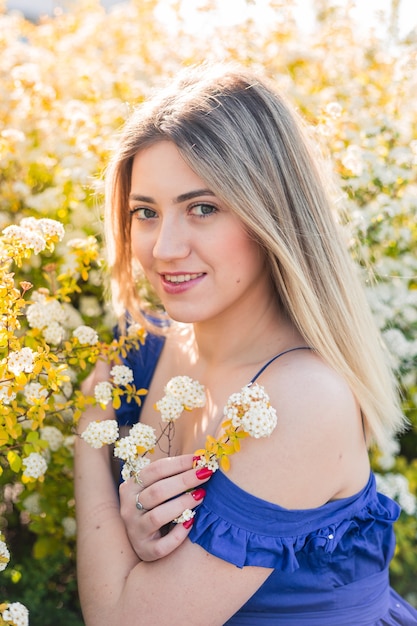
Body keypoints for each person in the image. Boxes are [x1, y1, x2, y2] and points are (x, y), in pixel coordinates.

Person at [74, 63, 417, 625]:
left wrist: (91, 432)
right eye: (145, 212)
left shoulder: (302, 397)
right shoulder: (145, 348)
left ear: (270, 217)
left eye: (203, 208)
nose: (164, 247)